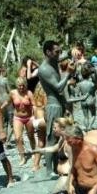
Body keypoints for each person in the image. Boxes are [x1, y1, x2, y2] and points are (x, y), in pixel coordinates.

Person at [38, 40, 75, 175]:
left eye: (60, 51)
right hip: (53, 105)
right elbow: (59, 87)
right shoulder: (44, 69)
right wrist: (68, 73)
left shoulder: (54, 60)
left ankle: (55, 167)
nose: (59, 54)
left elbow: (65, 54)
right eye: (57, 52)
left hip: (60, 104)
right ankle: (49, 170)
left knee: (61, 135)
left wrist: (72, 52)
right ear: (48, 52)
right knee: (51, 138)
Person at [9, 77, 37, 166]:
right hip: (18, 118)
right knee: (18, 138)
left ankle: (34, 152)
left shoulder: (29, 93)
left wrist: (35, 116)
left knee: (31, 136)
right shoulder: (13, 93)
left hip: (29, 117)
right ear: (17, 86)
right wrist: (0, 108)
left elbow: (34, 105)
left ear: (25, 85)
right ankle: (22, 156)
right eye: (19, 86)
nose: (21, 87)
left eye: (23, 86)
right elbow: (7, 101)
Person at [0, 66, 14, 145]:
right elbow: (9, 91)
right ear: (2, 71)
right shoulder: (5, 80)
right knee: (11, 120)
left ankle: (4, 139)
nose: (6, 73)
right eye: (5, 72)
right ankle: (8, 140)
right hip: (6, 100)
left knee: (4, 121)